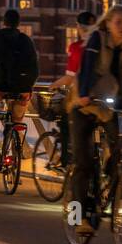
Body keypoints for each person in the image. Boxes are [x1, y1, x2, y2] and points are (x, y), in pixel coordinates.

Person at [68, 4, 122, 236]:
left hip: (112, 102)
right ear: (108, 23)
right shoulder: (96, 39)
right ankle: (80, 217)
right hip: (85, 103)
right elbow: (86, 69)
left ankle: (109, 181)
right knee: (83, 162)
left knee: (121, 148)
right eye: (119, 22)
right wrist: (83, 94)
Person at [0, 8, 39, 149]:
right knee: (16, 121)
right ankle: (14, 143)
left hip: (1, 86)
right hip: (23, 88)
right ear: (18, 23)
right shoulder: (26, 40)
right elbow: (35, 66)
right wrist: (29, 86)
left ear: (4, 22)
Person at [48, 9, 99, 165]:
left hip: (81, 96)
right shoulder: (101, 45)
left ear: (78, 27)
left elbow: (70, 77)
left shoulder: (76, 48)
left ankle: (65, 160)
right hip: (101, 95)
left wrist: (54, 85)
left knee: (65, 121)